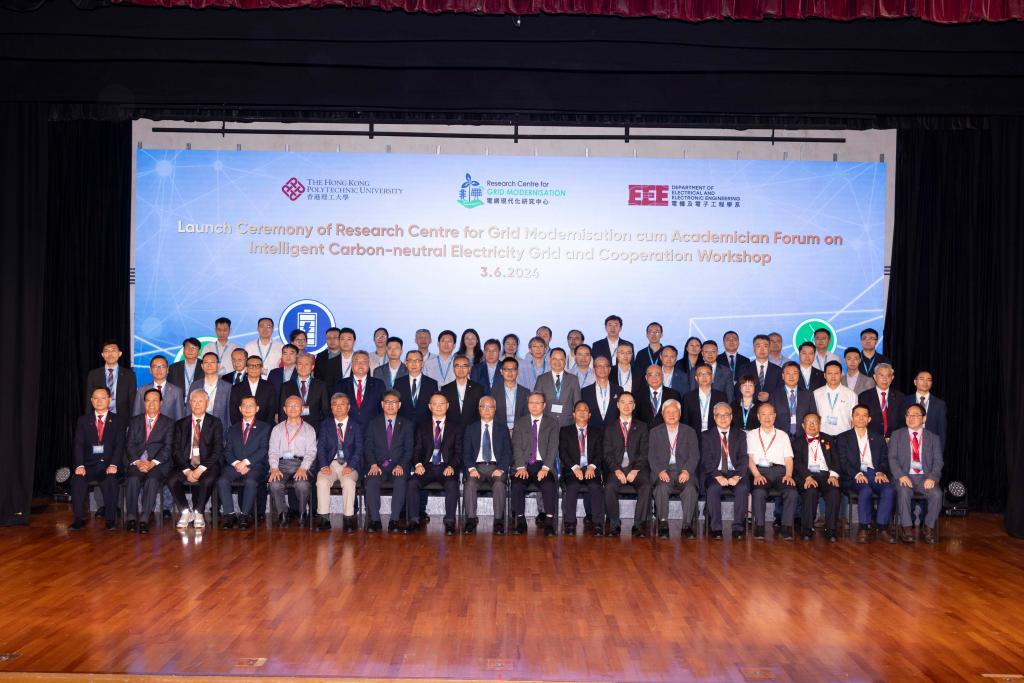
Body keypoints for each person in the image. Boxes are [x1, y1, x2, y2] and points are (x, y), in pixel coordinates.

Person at [70, 387, 126, 530]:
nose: (99, 401)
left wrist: (114, 464)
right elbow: (78, 444)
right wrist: (79, 465)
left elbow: (120, 445)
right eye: (96, 398)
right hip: (88, 466)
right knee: (77, 480)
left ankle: (111, 520)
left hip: (108, 465)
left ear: (109, 400)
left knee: (111, 480)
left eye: (103, 398)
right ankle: (78, 519)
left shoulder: (118, 420)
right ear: (91, 400)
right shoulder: (83, 420)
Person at [837, 404, 894, 544]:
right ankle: (863, 527)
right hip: (853, 475)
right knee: (865, 490)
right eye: (857, 415)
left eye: (864, 416)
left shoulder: (878, 437)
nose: (861, 418)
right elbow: (842, 462)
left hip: (874, 473)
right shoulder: (843, 438)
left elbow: (885, 459)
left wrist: (880, 471)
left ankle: (882, 528)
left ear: (869, 419)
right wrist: (856, 474)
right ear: (852, 418)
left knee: (888, 490)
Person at [407, 393, 462, 535]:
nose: (438, 407)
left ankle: (450, 521)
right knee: (412, 482)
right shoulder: (422, 426)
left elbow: (459, 452)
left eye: (441, 403)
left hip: (446, 467)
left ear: (447, 406)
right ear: (429, 406)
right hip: (427, 467)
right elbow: (416, 449)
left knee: (452, 484)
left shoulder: (456, 427)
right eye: (435, 404)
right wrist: (418, 464)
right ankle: (414, 520)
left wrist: (451, 466)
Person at [169, 389, 223, 529]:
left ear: (207, 403)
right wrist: (187, 471)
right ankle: (185, 511)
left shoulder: (215, 422)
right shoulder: (180, 424)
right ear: (189, 403)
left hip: (207, 464)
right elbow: (175, 451)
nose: (197, 404)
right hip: (186, 464)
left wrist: (200, 469)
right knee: (172, 479)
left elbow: (217, 450)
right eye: (194, 401)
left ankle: (199, 512)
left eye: (200, 401)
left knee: (208, 479)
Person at [889, 403, 943, 543]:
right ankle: (906, 528)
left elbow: (938, 461)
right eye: (908, 415)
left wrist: (932, 477)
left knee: (937, 494)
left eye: (915, 415)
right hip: (905, 476)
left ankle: (928, 527)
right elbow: (892, 458)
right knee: (904, 492)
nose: (911, 418)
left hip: (925, 477)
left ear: (924, 418)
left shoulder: (933, 438)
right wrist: (901, 475)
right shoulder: (897, 435)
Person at [123, 388, 173, 533]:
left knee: (152, 480)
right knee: (132, 478)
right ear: (144, 402)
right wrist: (138, 462)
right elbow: (129, 444)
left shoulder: (169, 423)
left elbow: (168, 447)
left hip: (158, 464)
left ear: (161, 403)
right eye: (148, 400)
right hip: (137, 462)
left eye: (155, 400)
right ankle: (131, 517)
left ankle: (145, 518)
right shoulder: (134, 421)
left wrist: (152, 463)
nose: (151, 404)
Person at [363, 390, 414, 532]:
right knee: (371, 481)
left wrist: (401, 465)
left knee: (400, 481)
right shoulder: (373, 423)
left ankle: (394, 520)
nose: (390, 405)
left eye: (394, 402)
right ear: (382, 404)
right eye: (387, 402)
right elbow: (368, 447)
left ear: (399, 405)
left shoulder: (407, 424)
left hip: (398, 466)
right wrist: (373, 464)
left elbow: (409, 449)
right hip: (378, 466)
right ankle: (375, 520)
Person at [603, 392, 652, 537]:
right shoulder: (610, 427)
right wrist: (617, 470)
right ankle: (614, 524)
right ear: (618, 405)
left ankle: (639, 525)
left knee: (646, 486)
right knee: (609, 486)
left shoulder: (642, 426)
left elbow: (644, 452)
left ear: (634, 406)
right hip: (616, 468)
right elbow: (607, 453)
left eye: (630, 402)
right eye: (623, 402)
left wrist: (635, 469)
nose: (626, 406)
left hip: (636, 469)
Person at [648, 400, 700, 539]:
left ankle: (687, 525)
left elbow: (695, 455)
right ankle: (663, 523)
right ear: (663, 414)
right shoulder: (655, 432)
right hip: (664, 471)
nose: (671, 414)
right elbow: (651, 456)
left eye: (675, 411)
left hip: (684, 470)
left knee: (690, 489)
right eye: (668, 412)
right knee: (661, 488)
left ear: (680, 413)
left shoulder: (689, 431)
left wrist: (687, 471)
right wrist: (660, 471)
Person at [217, 395, 270, 530]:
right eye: (244, 405)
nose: (247, 408)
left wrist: (245, 462)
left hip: (256, 465)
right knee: (222, 480)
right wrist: (236, 463)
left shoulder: (265, 427)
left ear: (257, 408)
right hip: (235, 465)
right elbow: (227, 451)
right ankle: (229, 514)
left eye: (251, 405)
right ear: (240, 409)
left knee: (250, 481)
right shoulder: (232, 428)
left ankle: (244, 516)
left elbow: (263, 450)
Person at [510, 392, 560, 536]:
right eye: (531, 403)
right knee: (517, 484)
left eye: (538, 403)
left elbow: (553, 448)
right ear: (527, 405)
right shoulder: (520, 423)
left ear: (544, 405)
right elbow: (517, 447)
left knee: (549, 484)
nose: (534, 406)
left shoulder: (552, 423)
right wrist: (520, 467)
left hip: (543, 465)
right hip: (524, 465)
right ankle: (521, 521)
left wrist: (546, 468)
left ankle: (549, 522)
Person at [313, 393, 363, 532]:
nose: (338, 407)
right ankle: (323, 518)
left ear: (348, 407)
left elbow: (359, 448)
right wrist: (324, 465)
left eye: (342, 404)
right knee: (322, 481)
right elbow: (321, 447)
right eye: (335, 404)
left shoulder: (356, 425)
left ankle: (348, 519)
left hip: (349, 464)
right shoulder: (326, 425)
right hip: (330, 463)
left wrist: (351, 466)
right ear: (331, 408)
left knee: (348, 482)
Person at [747, 403, 798, 540]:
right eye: (764, 414)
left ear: (775, 416)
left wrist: (789, 475)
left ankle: (786, 527)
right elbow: (749, 459)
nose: (767, 417)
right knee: (758, 492)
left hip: (780, 472)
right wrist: (756, 475)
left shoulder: (783, 435)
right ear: (758, 417)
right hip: (760, 471)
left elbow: (788, 459)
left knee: (792, 492)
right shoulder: (751, 435)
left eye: (770, 414)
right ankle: (759, 527)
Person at [700, 403, 750, 540]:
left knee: (742, 488)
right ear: (714, 417)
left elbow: (743, 458)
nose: (723, 418)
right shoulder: (706, 435)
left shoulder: (740, 435)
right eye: (719, 415)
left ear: (731, 417)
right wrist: (717, 476)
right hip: (714, 473)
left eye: (726, 415)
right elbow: (706, 459)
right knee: (713, 488)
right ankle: (716, 528)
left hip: (734, 472)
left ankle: (738, 527)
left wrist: (737, 476)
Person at [462, 396, 512, 535]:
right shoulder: (470, 428)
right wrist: (471, 468)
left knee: (499, 484)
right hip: (476, 468)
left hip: (496, 467)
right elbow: (466, 453)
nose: (487, 410)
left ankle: (498, 521)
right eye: (483, 406)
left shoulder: (502, 429)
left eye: (490, 407)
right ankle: (471, 520)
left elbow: (508, 453)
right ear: (479, 409)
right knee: (470, 484)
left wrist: (501, 469)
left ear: (495, 410)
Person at [267, 394, 317, 526]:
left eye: (296, 406)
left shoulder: (309, 429)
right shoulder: (277, 429)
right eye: (290, 406)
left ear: (302, 409)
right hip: (281, 464)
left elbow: (311, 452)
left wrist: (303, 468)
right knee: (274, 484)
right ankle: (282, 513)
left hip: (301, 464)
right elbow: (273, 451)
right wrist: (274, 468)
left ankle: (302, 512)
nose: (293, 408)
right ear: (284, 409)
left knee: (302, 485)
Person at [792, 412, 841, 542]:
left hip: (826, 476)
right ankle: (807, 529)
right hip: (807, 476)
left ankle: (831, 530)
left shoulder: (829, 439)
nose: (812, 425)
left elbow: (836, 460)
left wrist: (833, 476)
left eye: (815, 422)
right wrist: (807, 477)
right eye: (809, 422)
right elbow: (797, 463)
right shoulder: (797, 442)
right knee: (811, 491)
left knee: (834, 492)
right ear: (803, 425)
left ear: (820, 424)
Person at [558, 401, 605, 537]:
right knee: (572, 486)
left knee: (595, 487)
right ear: (573, 414)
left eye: (585, 410)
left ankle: (598, 523)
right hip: (572, 469)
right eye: (579, 410)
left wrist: (592, 466)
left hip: (591, 469)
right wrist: (574, 468)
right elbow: (563, 453)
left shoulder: (597, 431)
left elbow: (600, 453)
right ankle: (570, 522)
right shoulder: (565, 431)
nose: (582, 412)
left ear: (589, 415)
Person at [333, 351, 385, 432]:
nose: (360, 364)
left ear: (369, 365)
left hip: (372, 431)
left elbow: (383, 409)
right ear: (352, 365)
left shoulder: (379, 384)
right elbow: (335, 409)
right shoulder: (341, 384)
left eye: (364, 361)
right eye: (357, 361)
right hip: (347, 431)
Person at [85, 340, 137, 417]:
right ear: (102, 355)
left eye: (113, 350)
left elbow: (132, 400)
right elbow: (89, 400)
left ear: (120, 353)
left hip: (122, 418)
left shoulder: (129, 375)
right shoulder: (93, 374)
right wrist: (88, 419)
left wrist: (132, 421)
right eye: (106, 351)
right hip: (100, 417)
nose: (110, 354)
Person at [279, 352, 329, 429]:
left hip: (315, 428)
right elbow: (282, 412)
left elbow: (325, 410)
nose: (303, 367)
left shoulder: (321, 385)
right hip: (292, 428)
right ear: (296, 366)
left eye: (306, 364)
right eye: (300, 364)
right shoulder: (286, 386)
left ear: (312, 367)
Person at [534, 347, 581, 427]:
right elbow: (536, 402)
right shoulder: (541, 379)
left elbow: (577, 403)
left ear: (565, 361)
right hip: (546, 423)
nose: (557, 362)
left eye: (561, 359)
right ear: (550, 360)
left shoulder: (573, 379)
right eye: (554, 359)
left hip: (568, 424)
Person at [859, 363, 904, 442]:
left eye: (888, 376)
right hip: (871, 440)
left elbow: (902, 421)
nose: (885, 379)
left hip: (894, 440)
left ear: (892, 378)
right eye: (881, 375)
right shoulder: (864, 397)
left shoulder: (900, 397)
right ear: (875, 377)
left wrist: (894, 438)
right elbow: (862, 420)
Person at [903, 370, 947, 450]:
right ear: (915, 382)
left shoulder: (940, 404)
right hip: (908, 445)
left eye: (928, 380)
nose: (925, 382)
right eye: (922, 379)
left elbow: (942, 431)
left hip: (930, 446)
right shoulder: (905, 401)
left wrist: (939, 452)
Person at [228, 355, 278, 425]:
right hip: (242, 427)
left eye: (257, 366)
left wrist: (265, 427)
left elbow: (271, 411)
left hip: (264, 427)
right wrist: (239, 427)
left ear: (262, 369)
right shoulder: (236, 388)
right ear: (246, 369)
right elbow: (233, 412)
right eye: (251, 366)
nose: (254, 369)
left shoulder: (270, 387)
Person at [814, 361, 859, 436]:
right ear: (824, 375)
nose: (833, 376)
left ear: (841, 375)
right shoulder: (816, 394)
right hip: (822, 435)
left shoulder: (851, 395)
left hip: (844, 436)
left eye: (836, 373)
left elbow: (854, 419)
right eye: (830, 373)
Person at [133, 354, 184, 420]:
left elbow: (179, 418)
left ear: (167, 369)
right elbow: (136, 415)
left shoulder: (176, 391)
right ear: (150, 370)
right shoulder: (141, 390)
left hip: (169, 426)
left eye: (162, 366)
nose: (159, 369)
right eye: (155, 366)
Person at [394, 350, 438, 427]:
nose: (413, 364)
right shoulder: (398, 383)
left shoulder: (432, 383)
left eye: (417, 360)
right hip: (403, 426)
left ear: (422, 363)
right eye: (410, 360)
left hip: (425, 426)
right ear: (406, 363)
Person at [440, 354, 486, 426]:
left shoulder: (478, 388)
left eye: (464, 366)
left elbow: (480, 412)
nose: (461, 369)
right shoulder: (445, 389)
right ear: (453, 369)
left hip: (472, 429)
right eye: (457, 366)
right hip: (451, 429)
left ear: (469, 369)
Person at [771, 362, 815, 436]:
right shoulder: (774, 394)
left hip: (802, 437)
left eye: (795, 373)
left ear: (799, 375)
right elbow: (771, 417)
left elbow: (813, 416)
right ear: (783, 376)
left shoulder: (808, 394)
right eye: (788, 373)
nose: (791, 376)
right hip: (780, 436)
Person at [682, 365, 728, 434]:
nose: (704, 377)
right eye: (700, 374)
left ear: (712, 377)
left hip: (715, 435)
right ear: (696, 378)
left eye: (707, 374)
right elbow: (685, 421)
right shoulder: (688, 397)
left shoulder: (721, 396)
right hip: (693, 435)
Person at [189, 352, 231, 426]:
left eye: (212, 362)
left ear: (218, 365)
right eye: (206, 362)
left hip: (220, 427)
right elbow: (189, 408)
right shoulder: (195, 385)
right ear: (202, 366)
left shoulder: (227, 387)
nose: (209, 365)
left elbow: (229, 413)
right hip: (198, 426)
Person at [736, 334, 781, 401]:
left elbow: (781, 391)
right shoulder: (744, 369)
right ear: (754, 349)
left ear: (769, 349)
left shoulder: (778, 370)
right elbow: (738, 390)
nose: (762, 349)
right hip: (749, 405)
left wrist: (769, 396)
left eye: (765, 346)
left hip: (771, 406)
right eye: (758, 346)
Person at [635, 363, 682, 428]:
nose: (654, 378)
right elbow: (635, 418)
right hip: (644, 432)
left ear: (662, 376)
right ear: (646, 378)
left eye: (657, 375)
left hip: (666, 432)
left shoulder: (674, 394)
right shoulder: (638, 395)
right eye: (650, 375)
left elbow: (679, 417)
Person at [582, 356, 622, 432]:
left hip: (614, 432)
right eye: (599, 366)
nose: (602, 369)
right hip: (592, 432)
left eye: (605, 366)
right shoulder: (585, 391)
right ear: (594, 369)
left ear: (609, 369)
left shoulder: (619, 390)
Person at [493, 357, 530, 435]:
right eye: (506, 369)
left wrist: (516, 430)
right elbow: (493, 415)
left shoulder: (525, 392)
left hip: (520, 432)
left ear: (517, 371)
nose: (510, 372)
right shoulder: (493, 392)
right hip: (499, 431)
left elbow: (527, 415)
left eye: (513, 369)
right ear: (501, 371)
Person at [168, 337, 202, 405]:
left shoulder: (205, 366)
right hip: (177, 403)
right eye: (187, 347)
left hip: (198, 404)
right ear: (183, 350)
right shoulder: (173, 368)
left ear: (199, 352)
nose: (190, 350)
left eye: (193, 348)